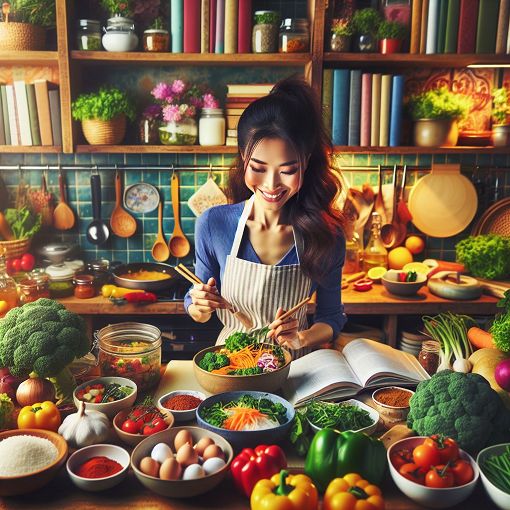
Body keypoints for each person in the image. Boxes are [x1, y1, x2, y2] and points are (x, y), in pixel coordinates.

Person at [184, 76, 347, 358]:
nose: (271, 185)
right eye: (258, 167)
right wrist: (197, 305)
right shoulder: (213, 224)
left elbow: (332, 317)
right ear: (243, 158)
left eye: (287, 170)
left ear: (306, 162)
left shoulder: (327, 235)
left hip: (297, 371)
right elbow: (197, 302)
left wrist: (302, 336)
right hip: (231, 369)